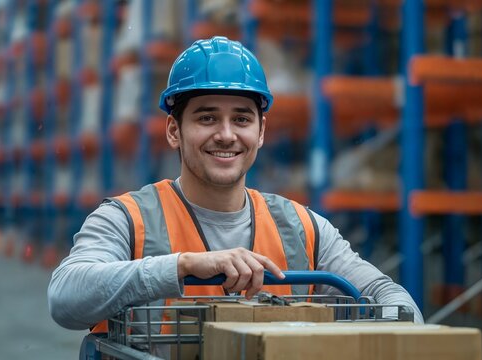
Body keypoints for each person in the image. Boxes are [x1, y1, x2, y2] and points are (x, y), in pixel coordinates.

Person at [48, 36, 423, 339]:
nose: (226, 135)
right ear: (174, 131)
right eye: (207, 117)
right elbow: (66, 298)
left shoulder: (303, 228)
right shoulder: (128, 219)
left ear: (261, 132)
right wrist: (184, 265)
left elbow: (393, 300)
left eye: (241, 119)